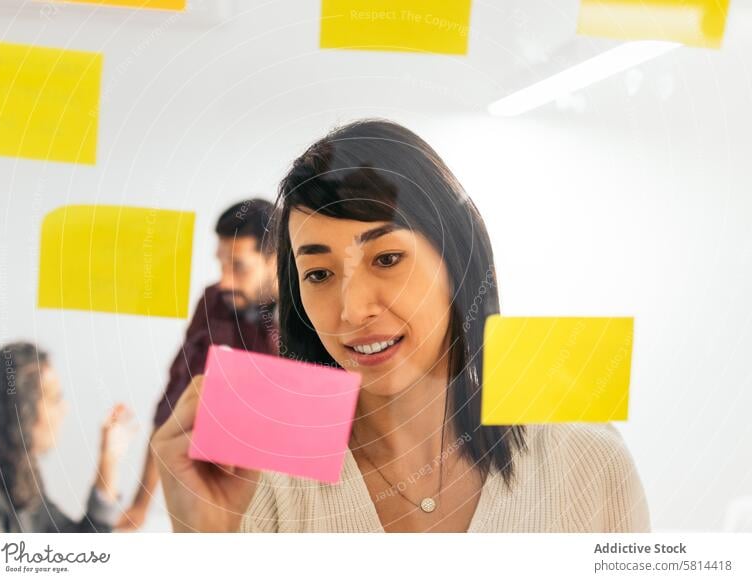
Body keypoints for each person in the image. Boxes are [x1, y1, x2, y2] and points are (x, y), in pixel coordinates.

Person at [152, 119, 651, 533]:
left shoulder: (583, 461)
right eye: (319, 274)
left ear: (459, 261)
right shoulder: (257, 477)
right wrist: (204, 544)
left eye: (387, 258)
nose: (352, 310)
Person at [117, 199, 280, 531]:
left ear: (276, 262)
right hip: (218, 501)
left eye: (239, 266)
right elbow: (174, 402)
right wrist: (140, 504)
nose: (225, 282)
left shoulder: (316, 314)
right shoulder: (213, 303)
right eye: (220, 264)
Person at [0, 342, 129, 533]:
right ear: (19, 412)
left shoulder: (20, 480)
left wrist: (108, 460)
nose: (65, 408)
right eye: (55, 399)